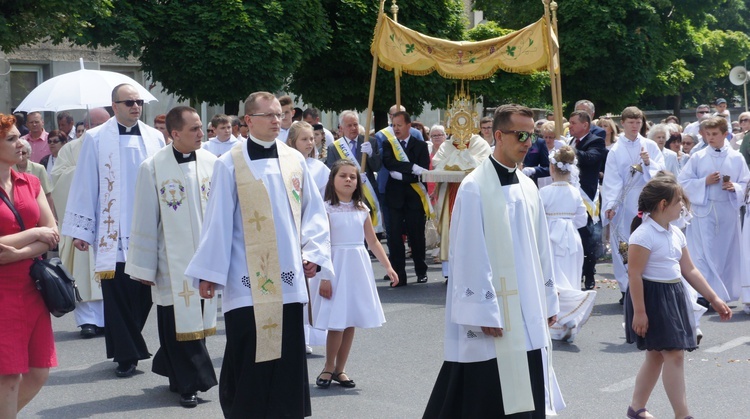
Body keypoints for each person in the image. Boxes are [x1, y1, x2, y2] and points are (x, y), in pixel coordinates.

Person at [184, 91, 333, 418]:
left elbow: (314, 213)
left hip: (289, 276)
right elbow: (218, 221)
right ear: (249, 120)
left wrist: (314, 251)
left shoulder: (296, 161)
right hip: (247, 278)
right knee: (250, 352)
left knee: (287, 356)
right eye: (269, 115)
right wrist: (209, 272)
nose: (277, 121)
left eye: (280, 115)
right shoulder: (229, 164)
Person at [423, 104, 563, 418]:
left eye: (532, 135)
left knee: (528, 381)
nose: (528, 142)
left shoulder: (528, 187)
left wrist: (548, 299)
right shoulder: (475, 188)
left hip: (528, 307)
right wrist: (484, 310)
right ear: (499, 136)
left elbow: (542, 249)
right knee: (488, 395)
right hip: (495, 314)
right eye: (521, 134)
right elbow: (470, 253)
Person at [62, 84, 165, 377]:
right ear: (114, 105)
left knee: (143, 294)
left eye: (139, 102)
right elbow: (85, 182)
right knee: (117, 291)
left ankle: (128, 343)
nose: (136, 106)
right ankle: (126, 355)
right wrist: (82, 230)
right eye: (129, 102)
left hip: (146, 226)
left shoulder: (155, 137)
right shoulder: (95, 138)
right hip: (112, 229)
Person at [125, 106, 218, 408]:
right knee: (176, 321)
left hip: (205, 260)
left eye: (201, 128)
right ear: (174, 133)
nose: (202, 134)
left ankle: (175, 372)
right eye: (194, 129)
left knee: (198, 322)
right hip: (171, 262)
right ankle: (190, 383)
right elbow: (143, 219)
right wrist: (142, 265)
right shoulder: (152, 167)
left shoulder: (212, 163)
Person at [624, 175, 732, 419]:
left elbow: (690, 269)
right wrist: (639, 312)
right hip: (651, 299)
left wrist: (713, 298)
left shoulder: (675, 233)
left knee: (656, 356)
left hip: (672, 295)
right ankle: (683, 415)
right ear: (663, 205)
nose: (682, 206)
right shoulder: (643, 235)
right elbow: (634, 275)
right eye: (678, 202)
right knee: (673, 354)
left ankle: (636, 408)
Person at [311, 160, 399, 389]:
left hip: (357, 267)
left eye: (353, 176)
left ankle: (341, 368)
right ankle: (328, 366)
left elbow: (372, 241)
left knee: (350, 320)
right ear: (333, 179)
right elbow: (323, 244)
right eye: (343, 176)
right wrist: (325, 277)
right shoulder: (326, 208)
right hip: (335, 266)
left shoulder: (361, 208)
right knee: (337, 321)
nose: (349, 179)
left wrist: (388, 266)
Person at [0, 113, 59, 417]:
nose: (21, 142)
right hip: (2, 293)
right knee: (8, 377)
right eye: (11, 138)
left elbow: (53, 234)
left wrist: (17, 251)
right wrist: (35, 233)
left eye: (19, 136)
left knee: (38, 372)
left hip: (32, 286)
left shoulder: (31, 181)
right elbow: (42, 232)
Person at [50, 107, 110, 339]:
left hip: (108, 222)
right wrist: (84, 171)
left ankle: (107, 319)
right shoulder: (71, 149)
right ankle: (87, 321)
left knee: (109, 274)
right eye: (96, 124)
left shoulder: (112, 147)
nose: (100, 128)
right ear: (87, 125)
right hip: (83, 221)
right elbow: (58, 177)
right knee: (83, 273)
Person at [677, 116, 750, 303]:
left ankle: (724, 293)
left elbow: (745, 182)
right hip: (704, 211)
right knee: (702, 254)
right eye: (707, 134)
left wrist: (735, 187)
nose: (710, 138)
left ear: (725, 134)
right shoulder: (698, 157)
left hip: (727, 211)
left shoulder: (736, 157)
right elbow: (683, 182)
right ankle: (703, 294)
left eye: (715, 134)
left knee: (724, 254)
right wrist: (704, 182)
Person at [602, 107, 665, 303]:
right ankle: (626, 288)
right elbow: (612, 180)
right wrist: (611, 205)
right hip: (624, 202)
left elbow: (662, 172)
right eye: (631, 122)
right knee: (624, 244)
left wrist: (648, 164)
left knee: (647, 242)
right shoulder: (615, 150)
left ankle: (648, 284)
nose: (635, 126)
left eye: (638, 122)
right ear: (623, 124)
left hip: (647, 200)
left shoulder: (650, 146)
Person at [540, 146, 596, 343]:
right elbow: (581, 220)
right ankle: (569, 316)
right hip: (571, 239)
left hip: (551, 238)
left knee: (553, 277)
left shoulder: (544, 192)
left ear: (552, 168)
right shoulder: (574, 192)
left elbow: (537, 219)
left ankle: (559, 319)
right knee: (570, 274)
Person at [287, 120, 330, 353]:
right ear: (292, 141)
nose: (310, 142)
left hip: (310, 228)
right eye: (304, 139)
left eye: (312, 138)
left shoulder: (319, 168)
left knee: (309, 285)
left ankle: (307, 334)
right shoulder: (284, 164)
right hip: (290, 229)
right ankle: (294, 334)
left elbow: (325, 201)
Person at [382, 111, 431, 286]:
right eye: (393, 125)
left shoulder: (420, 145)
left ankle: (420, 270)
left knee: (416, 235)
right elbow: (389, 163)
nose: (396, 129)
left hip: (414, 196)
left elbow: (422, 171)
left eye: (399, 125)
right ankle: (399, 275)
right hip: (394, 197)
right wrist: (411, 167)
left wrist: (403, 176)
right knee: (394, 237)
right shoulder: (389, 144)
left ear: (408, 126)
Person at [568, 110, 607, 291]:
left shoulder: (595, 140)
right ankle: (576, 273)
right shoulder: (570, 141)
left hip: (587, 196)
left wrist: (571, 152)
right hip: (571, 195)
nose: (570, 126)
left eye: (573, 122)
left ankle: (589, 274)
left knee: (589, 237)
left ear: (585, 125)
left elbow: (592, 159)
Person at [325, 110, 382, 232]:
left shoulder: (369, 142)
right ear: (341, 128)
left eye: (355, 124)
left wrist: (371, 154)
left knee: (371, 231)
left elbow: (377, 167)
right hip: (346, 195)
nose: (353, 128)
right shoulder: (334, 147)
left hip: (368, 193)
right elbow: (332, 172)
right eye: (349, 125)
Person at [13, 139, 53, 214]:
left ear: (28, 153)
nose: (21, 156)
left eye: (23, 153)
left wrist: (51, 215)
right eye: (18, 153)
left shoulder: (39, 169)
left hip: (37, 209)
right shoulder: (10, 169)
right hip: (16, 210)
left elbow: (48, 194)